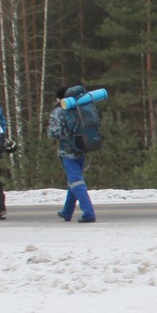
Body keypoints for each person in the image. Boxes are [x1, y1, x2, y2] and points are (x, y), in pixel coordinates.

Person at [47, 86, 96, 223]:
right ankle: (67, 212)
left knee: (76, 181)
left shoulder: (58, 112)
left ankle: (88, 213)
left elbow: (53, 133)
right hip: (82, 147)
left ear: (59, 98)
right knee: (73, 181)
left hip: (67, 151)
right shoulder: (80, 108)